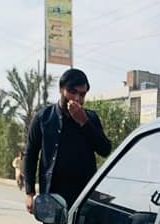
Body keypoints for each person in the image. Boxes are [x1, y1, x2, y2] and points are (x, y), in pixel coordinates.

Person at [23, 68, 111, 216]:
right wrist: (29, 193)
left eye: (82, 94)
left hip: (83, 198)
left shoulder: (90, 118)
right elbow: (31, 155)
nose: (77, 98)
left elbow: (105, 149)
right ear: (61, 89)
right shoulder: (43, 118)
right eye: (72, 92)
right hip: (52, 197)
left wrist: (84, 122)